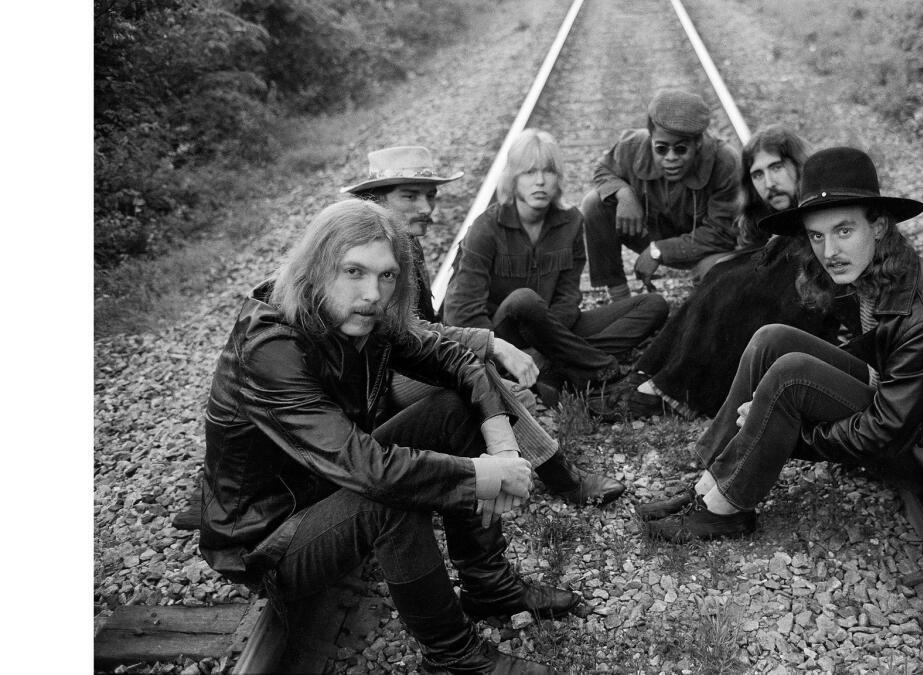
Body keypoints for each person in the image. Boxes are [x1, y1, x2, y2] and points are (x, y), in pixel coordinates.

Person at [199, 199, 583, 673]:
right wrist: (477, 475)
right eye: (354, 271)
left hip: (324, 485)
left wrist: (500, 441)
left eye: (386, 276)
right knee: (389, 499)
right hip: (268, 537)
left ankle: (487, 584)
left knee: (450, 408)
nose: (373, 292)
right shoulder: (269, 350)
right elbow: (369, 470)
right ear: (315, 269)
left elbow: (455, 359)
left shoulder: (364, 317)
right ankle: (452, 657)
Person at [638, 147, 923, 556]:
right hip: (907, 418)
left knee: (790, 376)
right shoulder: (876, 273)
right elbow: (882, 372)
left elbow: (884, 434)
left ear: (878, 227)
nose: (829, 252)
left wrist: (778, 424)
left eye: (843, 231)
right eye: (817, 236)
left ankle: (726, 507)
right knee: (772, 339)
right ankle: (711, 481)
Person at [343, 145, 624, 507]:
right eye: (410, 196)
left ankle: (512, 460)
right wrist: (493, 345)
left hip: (394, 371)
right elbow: (407, 335)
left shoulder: (404, 243)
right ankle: (561, 477)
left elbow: (421, 332)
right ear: (374, 200)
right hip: (375, 390)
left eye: (430, 196)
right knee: (472, 367)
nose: (427, 209)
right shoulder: (365, 256)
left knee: (471, 366)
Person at [615, 125, 840, 420]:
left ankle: (674, 388)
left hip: (815, 306)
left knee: (732, 284)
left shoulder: (823, 206)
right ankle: (651, 372)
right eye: (758, 175)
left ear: (798, 166)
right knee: (721, 274)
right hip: (789, 288)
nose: (769, 182)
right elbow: (753, 252)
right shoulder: (769, 214)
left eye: (776, 167)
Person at [443, 129, 669, 400]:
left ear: (558, 178)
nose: (539, 181)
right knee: (523, 300)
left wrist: (546, 344)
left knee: (653, 305)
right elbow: (461, 315)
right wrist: (507, 351)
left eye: (548, 171)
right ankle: (603, 371)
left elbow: (567, 298)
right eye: (529, 172)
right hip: (501, 337)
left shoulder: (571, 221)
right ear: (513, 179)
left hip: (552, 331)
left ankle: (553, 368)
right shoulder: (486, 228)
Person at [580, 89, 741, 301]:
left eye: (681, 149)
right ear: (651, 140)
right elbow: (602, 170)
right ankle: (620, 300)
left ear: (698, 143)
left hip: (703, 246)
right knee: (594, 204)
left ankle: (701, 313)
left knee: (716, 271)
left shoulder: (725, 162)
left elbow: (721, 233)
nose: (671, 158)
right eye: (661, 149)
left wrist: (659, 250)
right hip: (649, 231)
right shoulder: (632, 146)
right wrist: (624, 193)